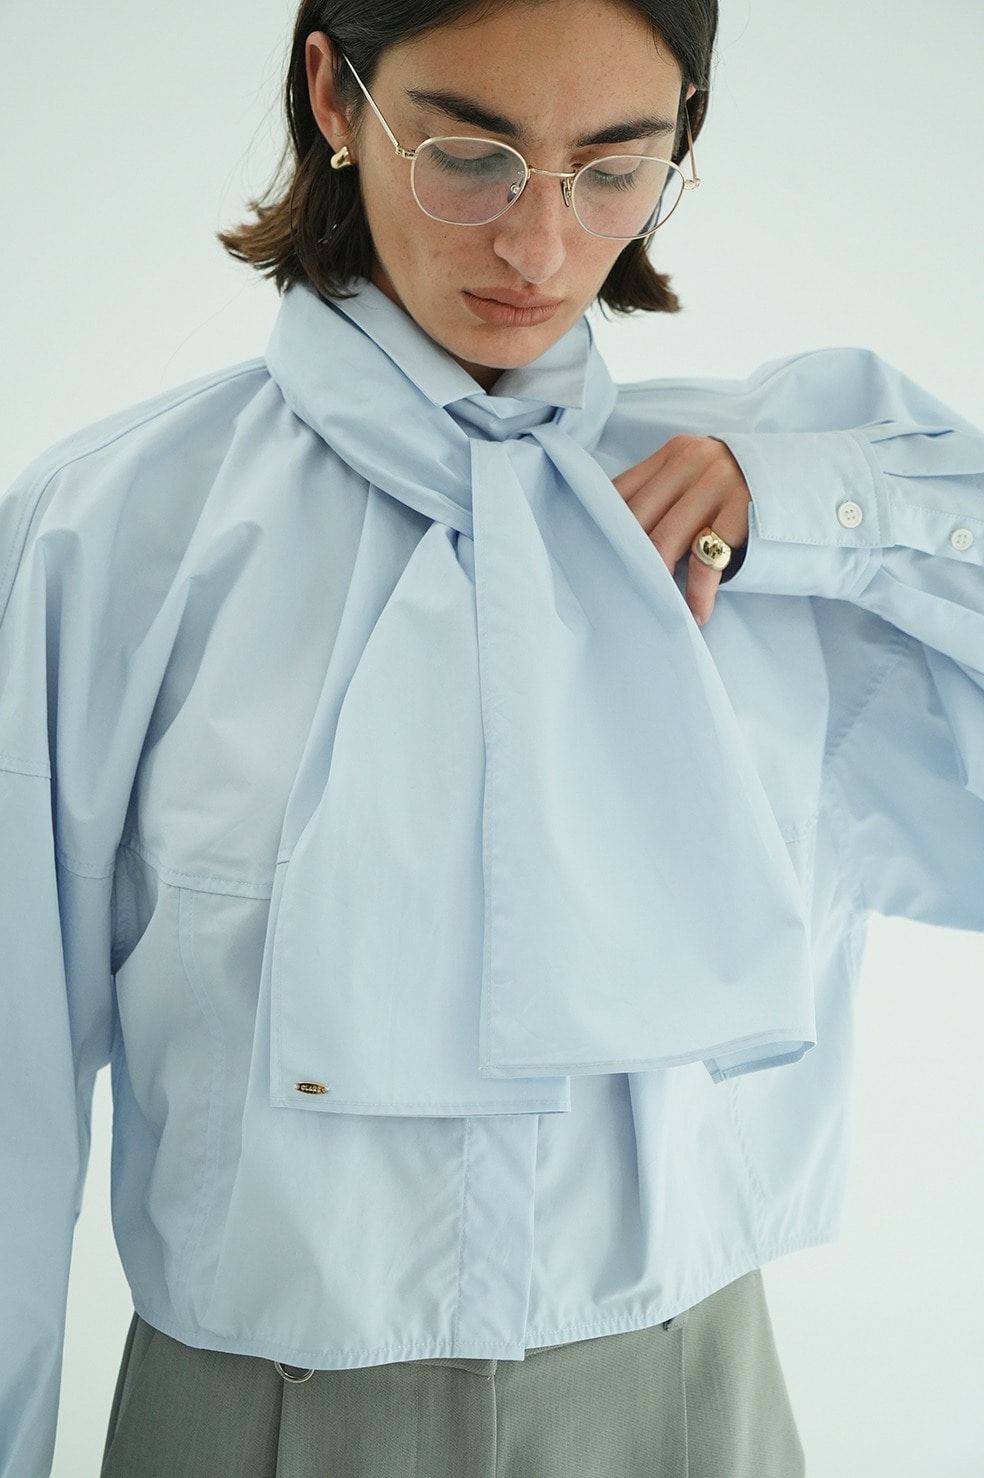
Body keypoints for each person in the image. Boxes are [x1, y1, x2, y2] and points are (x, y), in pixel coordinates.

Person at [1, 1, 982, 1475]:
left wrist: (827, 507)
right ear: (336, 96)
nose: (539, 245)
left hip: (691, 1407)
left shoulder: (761, 534)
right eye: (470, 155)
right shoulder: (109, 534)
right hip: (256, 1421)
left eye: (613, 168)